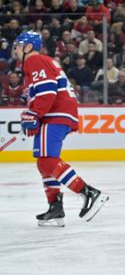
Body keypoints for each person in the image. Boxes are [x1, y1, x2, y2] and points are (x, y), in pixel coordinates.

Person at [13, 31, 108, 226]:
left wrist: (35, 114)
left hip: (55, 113)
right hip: (56, 113)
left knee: (48, 161)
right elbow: (44, 91)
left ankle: (89, 192)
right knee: (44, 163)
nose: (16, 50)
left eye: (18, 46)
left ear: (28, 47)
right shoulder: (40, 62)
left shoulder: (34, 60)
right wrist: (34, 111)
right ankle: (55, 208)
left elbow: (48, 91)